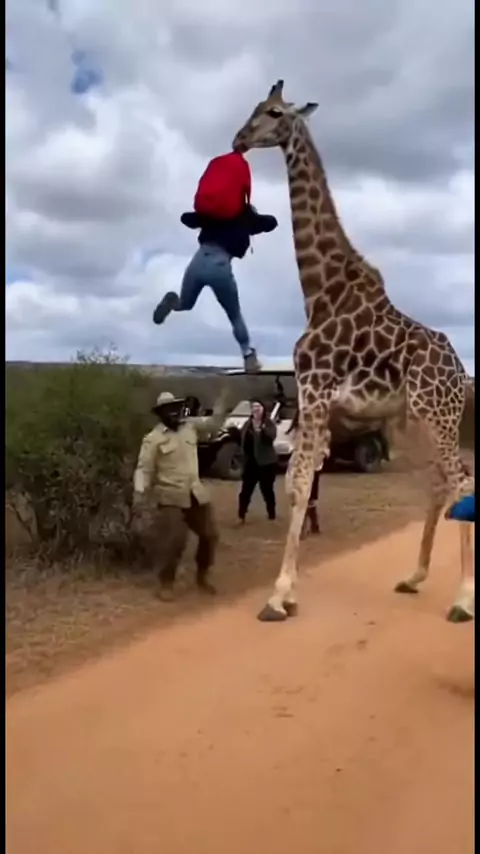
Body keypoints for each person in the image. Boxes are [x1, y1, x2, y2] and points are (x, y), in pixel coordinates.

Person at [152, 203, 278, 374]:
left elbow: (186, 218)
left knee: (185, 305)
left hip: (197, 263)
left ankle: (173, 302)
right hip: (219, 266)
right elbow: (271, 223)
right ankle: (248, 355)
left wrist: (206, 214)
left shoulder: (214, 214)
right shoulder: (245, 218)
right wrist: (250, 218)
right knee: (234, 316)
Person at [132, 388, 232, 601]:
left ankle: (202, 576)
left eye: (176, 408)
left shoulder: (190, 427)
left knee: (210, 535)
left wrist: (221, 403)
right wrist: (140, 493)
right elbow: (144, 469)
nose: (174, 412)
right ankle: (166, 583)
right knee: (175, 541)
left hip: (195, 492)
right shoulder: (153, 439)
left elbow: (214, 424)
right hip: (170, 495)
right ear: (160, 414)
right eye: (169, 410)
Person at [238, 400, 278, 522]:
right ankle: (241, 515)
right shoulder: (247, 424)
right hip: (250, 463)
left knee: (267, 489)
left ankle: (271, 513)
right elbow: (242, 439)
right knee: (246, 490)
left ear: (263, 408)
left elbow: (271, 437)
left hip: (267, 463)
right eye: (253, 407)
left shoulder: (268, 423)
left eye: (258, 406)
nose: (255, 409)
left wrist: (262, 430)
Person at [287, 408, 322, 538]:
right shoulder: (296, 430)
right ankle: (303, 528)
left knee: (311, 498)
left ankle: (314, 524)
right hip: (299, 466)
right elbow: (292, 446)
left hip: (312, 467)